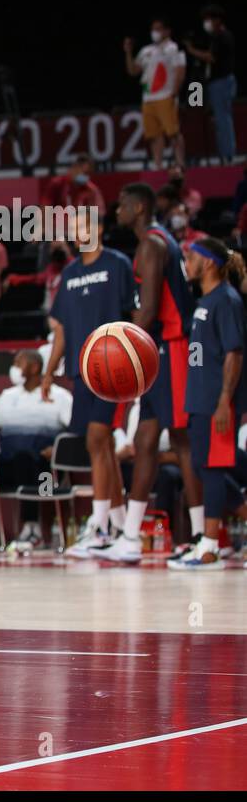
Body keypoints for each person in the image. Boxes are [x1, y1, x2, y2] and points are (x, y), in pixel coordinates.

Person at [95, 183, 203, 562]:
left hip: (172, 347)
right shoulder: (157, 243)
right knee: (144, 440)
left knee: (182, 441)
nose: (117, 210)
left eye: (122, 204)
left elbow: (150, 308)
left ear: (139, 207)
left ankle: (202, 535)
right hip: (160, 350)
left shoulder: (152, 245)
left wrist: (123, 346)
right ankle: (129, 539)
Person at [42, 211, 136, 557]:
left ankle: (98, 528)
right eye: (73, 230)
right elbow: (62, 330)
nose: (77, 234)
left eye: (83, 227)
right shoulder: (69, 274)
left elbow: (135, 313)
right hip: (83, 372)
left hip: (114, 367)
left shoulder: (118, 264)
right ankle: (120, 526)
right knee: (101, 446)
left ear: (98, 229)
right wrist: (49, 371)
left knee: (98, 438)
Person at [174, 237, 247, 569]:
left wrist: (223, 402)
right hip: (200, 398)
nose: (186, 262)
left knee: (215, 470)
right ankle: (213, 540)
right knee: (206, 469)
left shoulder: (227, 300)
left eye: (190, 257)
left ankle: (210, 546)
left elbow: (234, 353)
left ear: (209, 263)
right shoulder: (204, 300)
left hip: (218, 401)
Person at [0, 350, 72, 549]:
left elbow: (74, 432)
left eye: (19, 363)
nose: (14, 368)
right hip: (9, 469)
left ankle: (32, 529)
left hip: (46, 474)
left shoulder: (59, 396)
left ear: (35, 367)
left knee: (24, 459)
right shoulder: (7, 396)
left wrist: (57, 449)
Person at [125, 18, 186, 169]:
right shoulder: (146, 50)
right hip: (148, 98)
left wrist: (174, 93)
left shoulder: (174, 48)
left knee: (173, 132)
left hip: (166, 96)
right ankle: (157, 164)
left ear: (167, 31)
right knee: (153, 135)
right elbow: (133, 71)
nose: (155, 32)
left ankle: (180, 162)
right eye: (153, 29)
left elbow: (180, 70)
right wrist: (128, 52)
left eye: (158, 29)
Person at [184, 4, 237, 165]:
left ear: (217, 20)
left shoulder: (223, 36)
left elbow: (210, 58)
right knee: (197, 113)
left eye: (208, 19)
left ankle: (227, 156)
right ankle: (199, 154)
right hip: (198, 84)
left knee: (222, 119)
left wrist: (191, 50)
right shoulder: (211, 38)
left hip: (218, 83)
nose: (206, 23)